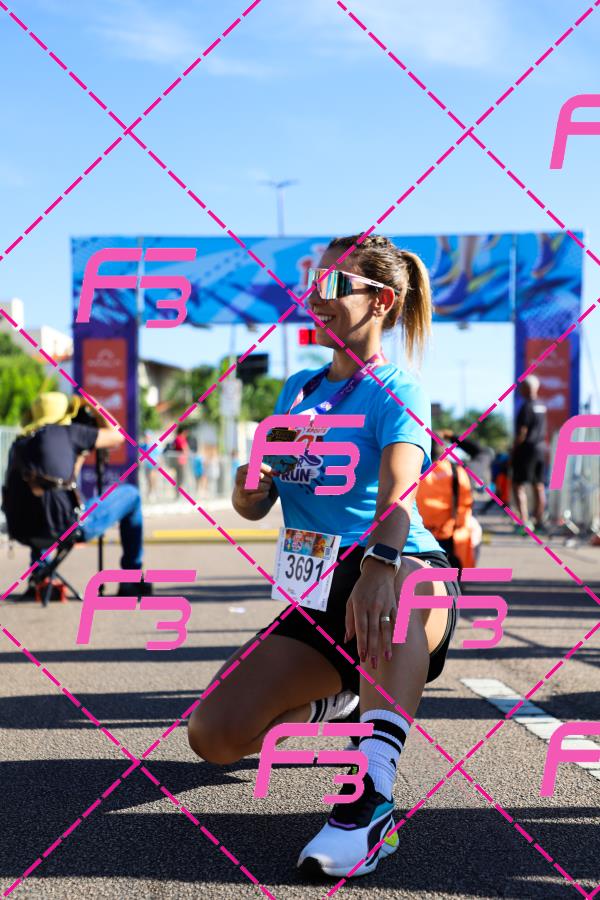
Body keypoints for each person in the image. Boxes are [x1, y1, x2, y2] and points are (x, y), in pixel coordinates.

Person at [188, 234, 461, 879]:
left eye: (336, 284)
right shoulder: (296, 389)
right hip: (317, 594)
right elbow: (253, 503)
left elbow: (399, 493)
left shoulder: (397, 386)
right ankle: (338, 701)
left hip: (401, 571)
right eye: (313, 282)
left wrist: (379, 566)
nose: (317, 296)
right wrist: (251, 484)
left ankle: (372, 797)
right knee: (215, 736)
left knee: (398, 597)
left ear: (382, 302)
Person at [2, 392, 145, 597]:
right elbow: (117, 436)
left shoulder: (18, 444)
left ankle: (40, 577)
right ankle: (131, 579)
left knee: (41, 503)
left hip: (22, 529)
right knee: (131, 495)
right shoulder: (70, 433)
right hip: (68, 528)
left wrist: (78, 455)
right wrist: (96, 406)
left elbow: (66, 482)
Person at [416, 437, 475, 569]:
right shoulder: (456, 471)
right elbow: (465, 505)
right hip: (448, 536)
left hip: (418, 536)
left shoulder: (411, 471)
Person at [511, 375, 547, 533]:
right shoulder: (542, 406)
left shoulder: (526, 406)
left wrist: (513, 450)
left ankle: (524, 522)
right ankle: (539, 521)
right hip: (540, 448)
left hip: (526, 450)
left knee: (518, 485)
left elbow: (522, 432)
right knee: (539, 486)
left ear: (526, 388)